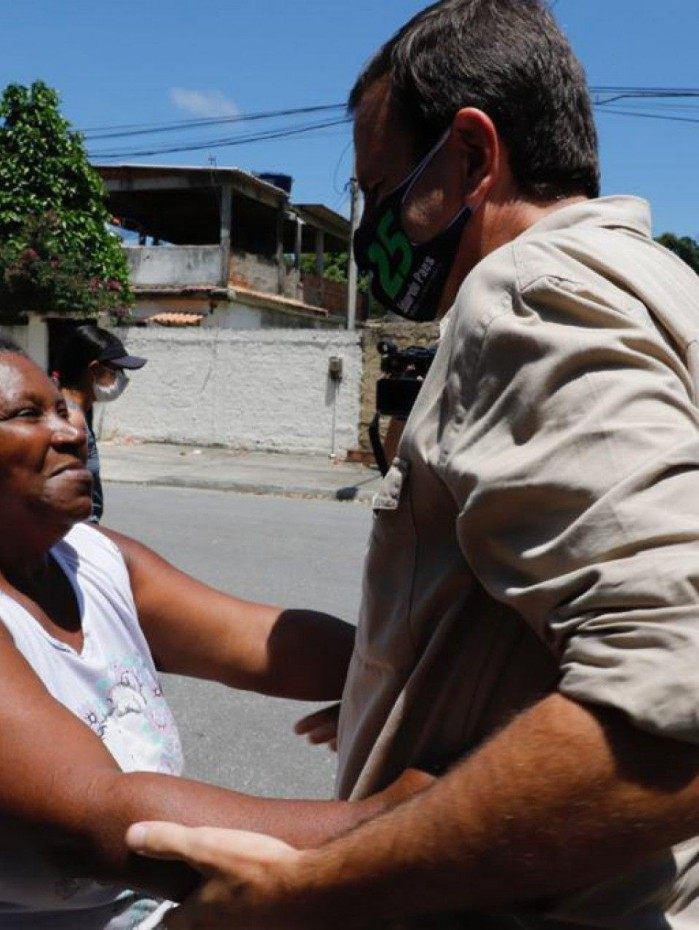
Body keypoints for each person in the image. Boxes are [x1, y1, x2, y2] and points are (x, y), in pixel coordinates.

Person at [126, 1, 699, 928]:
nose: (374, 230)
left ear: (473, 157)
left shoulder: (525, 293)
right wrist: (401, 695)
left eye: (381, 189)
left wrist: (309, 894)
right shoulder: (668, 286)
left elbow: (673, 697)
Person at [0, 337, 428, 929]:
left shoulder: (94, 559)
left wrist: (415, 679)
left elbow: (265, 647)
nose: (73, 432)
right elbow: (108, 819)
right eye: (27, 414)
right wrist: (423, 818)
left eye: (64, 408)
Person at [57, 324, 146, 523]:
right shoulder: (72, 419)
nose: (122, 377)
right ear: (94, 370)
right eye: (116, 370)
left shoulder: (71, 411)